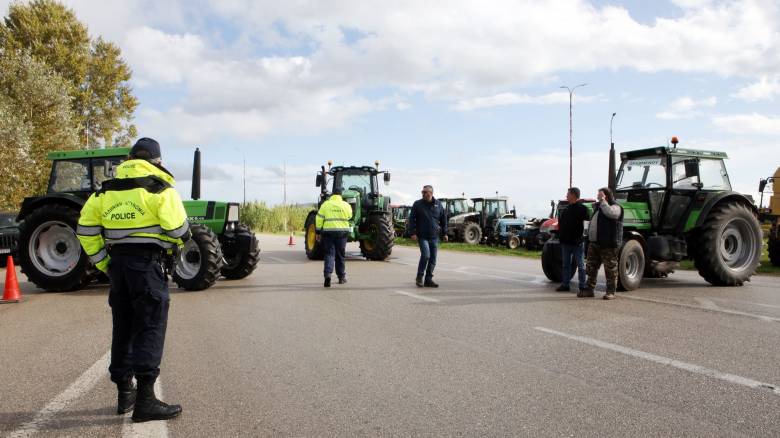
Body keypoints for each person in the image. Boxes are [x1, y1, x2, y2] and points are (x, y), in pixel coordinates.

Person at [77, 138, 188, 422]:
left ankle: (125, 393)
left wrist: (105, 263)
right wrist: (183, 238)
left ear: (128, 159)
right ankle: (146, 401)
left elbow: (85, 231)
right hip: (148, 267)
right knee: (149, 327)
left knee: (123, 328)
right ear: (157, 161)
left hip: (119, 267)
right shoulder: (161, 189)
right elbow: (178, 230)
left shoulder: (104, 192)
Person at [583, 187, 624, 300]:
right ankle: (589, 290)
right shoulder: (599, 207)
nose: (597, 196)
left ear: (606, 195)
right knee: (591, 268)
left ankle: (611, 292)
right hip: (595, 243)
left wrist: (603, 200)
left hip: (608, 244)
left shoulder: (615, 206)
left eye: (600, 194)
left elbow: (611, 214)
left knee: (610, 269)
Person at [407, 185, 448, 288]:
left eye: (425, 192)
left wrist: (445, 233)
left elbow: (443, 220)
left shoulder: (438, 205)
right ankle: (419, 277)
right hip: (422, 237)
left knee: (433, 259)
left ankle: (428, 279)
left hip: (434, 237)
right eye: (422, 192)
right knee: (426, 255)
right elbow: (412, 220)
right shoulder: (417, 204)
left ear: (431, 193)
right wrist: (412, 233)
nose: (423, 193)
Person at [315, 186, 353, 287]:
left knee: (329, 254)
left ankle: (328, 275)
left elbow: (319, 218)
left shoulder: (326, 204)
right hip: (342, 233)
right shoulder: (346, 205)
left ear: (332, 194)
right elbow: (350, 216)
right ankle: (341, 277)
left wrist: (318, 232)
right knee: (340, 255)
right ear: (341, 195)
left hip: (328, 233)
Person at [556, 187, 589, 293]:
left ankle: (582, 286)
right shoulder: (566, 210)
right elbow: (562, 225)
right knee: (565, 265)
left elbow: (587, 226)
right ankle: (565, 285)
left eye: (568, 194)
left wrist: (583, 238)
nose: (566, 196)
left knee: (581, 265)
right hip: (566, 243)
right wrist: (561, 238)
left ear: (574, 195)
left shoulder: (583, 209)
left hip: (577, 243)